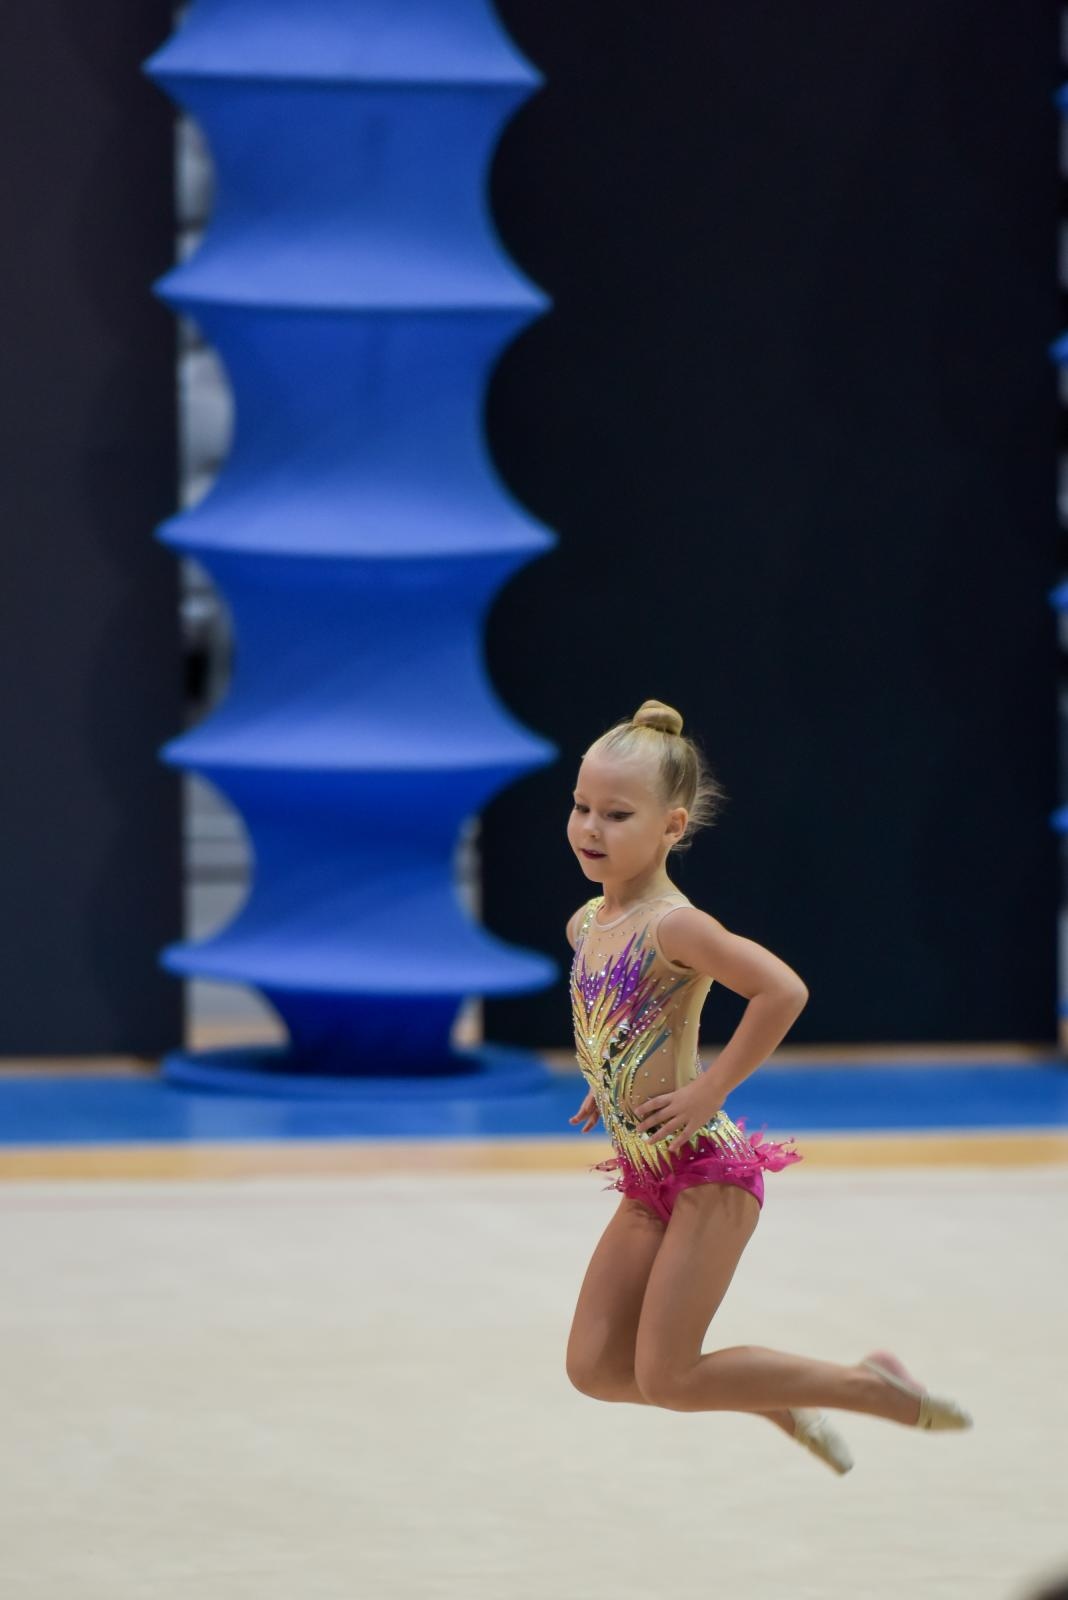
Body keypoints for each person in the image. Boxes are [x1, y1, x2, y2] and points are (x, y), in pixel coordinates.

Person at [564, 698, 973, 1475]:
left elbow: (782, 990)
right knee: (595, 1369)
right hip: (646, 1175)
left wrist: (711, 1089)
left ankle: (867, 1386)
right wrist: (604, 1081)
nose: (591, 827)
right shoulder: (587, 923)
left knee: (670, 1377)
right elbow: (615, 1017)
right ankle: (762, 1391)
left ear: (672, 827)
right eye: (582, 806)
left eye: (617, 814)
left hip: (707, 1174)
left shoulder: (674, 924)